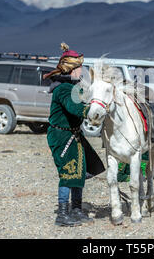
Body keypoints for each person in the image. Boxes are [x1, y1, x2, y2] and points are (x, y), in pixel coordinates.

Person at [43, 42, 104, 227]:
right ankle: (62, 215)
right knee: (68, 173)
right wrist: (91, 111)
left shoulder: (73, 87)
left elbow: (80, 101)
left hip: (73, 135)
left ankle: (76, 210)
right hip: (62, 137)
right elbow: (74, 108)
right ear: (72, 69)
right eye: (79, 67)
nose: (82, 71)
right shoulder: (63, 89)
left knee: (80, 171)